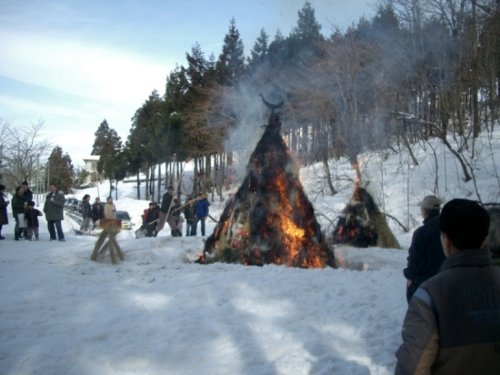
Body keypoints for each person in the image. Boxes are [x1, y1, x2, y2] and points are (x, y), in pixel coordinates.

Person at [395, 198, 500, 375]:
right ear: (484, 239)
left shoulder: (429, 297)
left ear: (446, 241)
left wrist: (411, 277)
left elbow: (413, 368)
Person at [403, 195, 445, 302]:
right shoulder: (448, 229)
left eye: (422, 209)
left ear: (425, 211)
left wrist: (410, 277)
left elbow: (415, 260)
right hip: (446, 279)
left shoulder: (422, 233)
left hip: (425, 282)